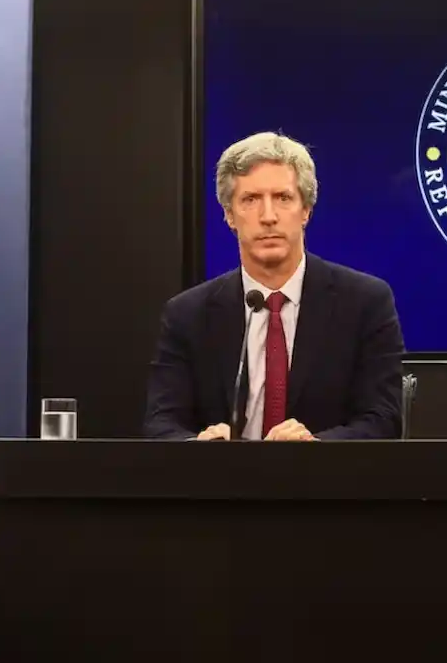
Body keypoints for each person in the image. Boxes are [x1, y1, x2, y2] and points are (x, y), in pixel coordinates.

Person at [143, 132, 405, 441]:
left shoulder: (365, 302)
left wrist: (316, 447)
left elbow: (384, 418)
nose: (268, 217)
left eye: (283, 198)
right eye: (251, 200)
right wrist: (198, 446)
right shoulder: (187, 314)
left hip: (327, 485)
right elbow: (160, 424)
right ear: (229, 215)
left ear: (305, 210)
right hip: (221, 485)